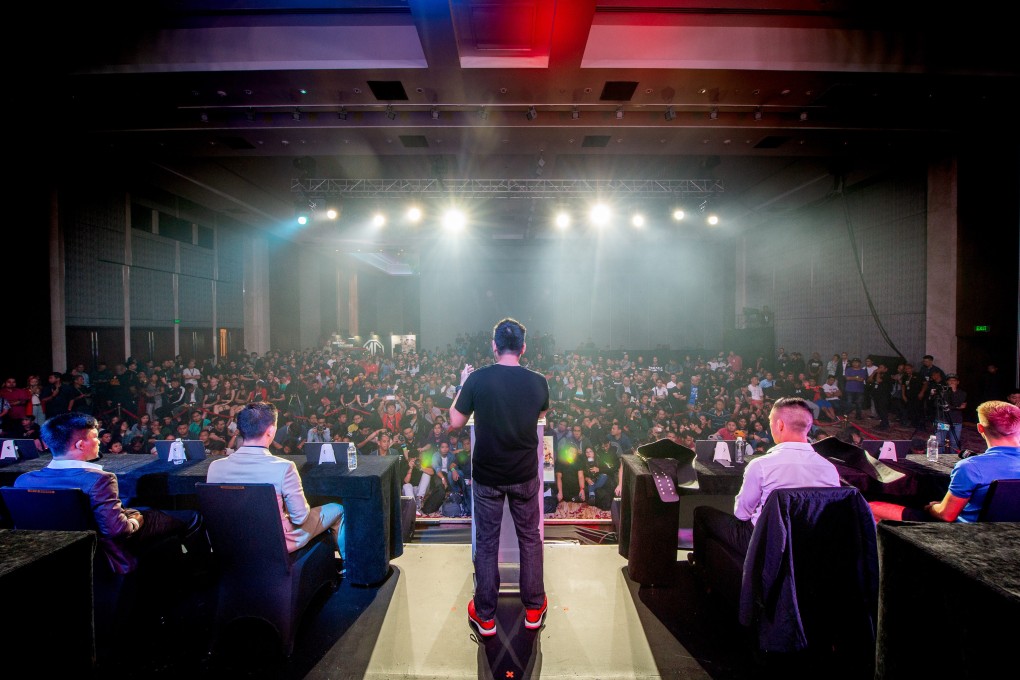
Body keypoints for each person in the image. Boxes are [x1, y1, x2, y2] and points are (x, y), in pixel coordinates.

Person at [448, 317, 550, 637]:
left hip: (488, 477)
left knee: (488, 542)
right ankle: (534, 607)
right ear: (523, 347)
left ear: (494, 347)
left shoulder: (477, 379)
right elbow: (541, 415)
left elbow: (454, 420)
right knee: (530, 539)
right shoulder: (539, 381)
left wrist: (463, 384)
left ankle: (486, 615)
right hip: (523, 473)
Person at [13, 411, 206, 575]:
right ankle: (200, 577)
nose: (98, 442)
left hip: (58, 558)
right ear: (80, 445)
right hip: (108, 554)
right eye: (95, 437)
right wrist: (136, 518)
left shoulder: (23, 481)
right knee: (191, 516)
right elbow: (117, 530)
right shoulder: (99, 480)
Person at [691, 397, 840, 565]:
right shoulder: (829, 469)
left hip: (765, 542)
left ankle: (700, 569)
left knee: (702, 513)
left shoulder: (761, 465)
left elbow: (741, 514)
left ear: (780, 425)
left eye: (770, 421)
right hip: (810, 544)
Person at [206, 402, 347, 565]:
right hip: (277, 541)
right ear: (271, 430)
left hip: (230, 540)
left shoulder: (215, 467)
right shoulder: (284, 467)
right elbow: (300, 518)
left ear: (240, 429)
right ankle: (345, 568)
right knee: (338, 509)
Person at [869, 400, 1020, 523]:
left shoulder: (971, 467)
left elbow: (946, 516)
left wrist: (932, 508)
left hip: (966, 533)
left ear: (980, 428)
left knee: (872, 507)